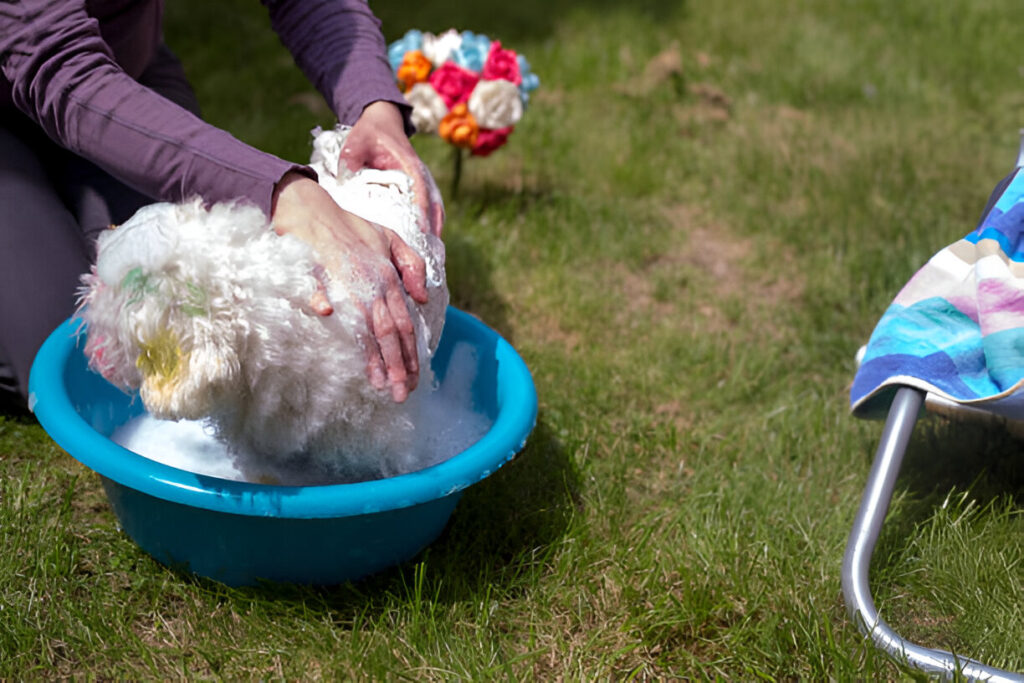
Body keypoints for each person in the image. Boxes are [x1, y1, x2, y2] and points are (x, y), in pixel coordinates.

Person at [0, 0, 444, 413]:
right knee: (72, 362)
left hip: (121, 70)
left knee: (180, 322)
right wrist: (284, 194)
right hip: (52, 79)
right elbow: (58, 65)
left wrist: (372, 102)